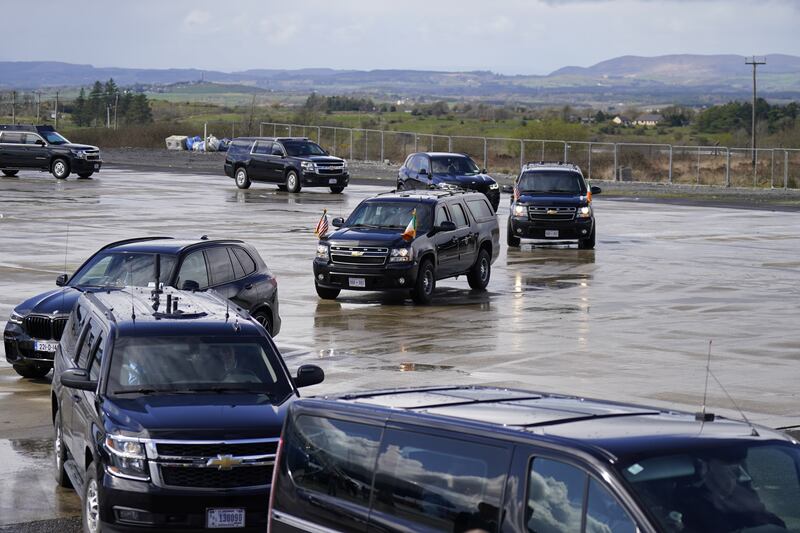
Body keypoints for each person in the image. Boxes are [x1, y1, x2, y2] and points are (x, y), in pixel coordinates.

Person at [679, 455, 786, 532]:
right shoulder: (692, 501)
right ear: (706, 469)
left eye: (739, 469)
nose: (736, 476)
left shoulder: (745, 495)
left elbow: (778, 526)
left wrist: (755, 511)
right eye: (730, 468)